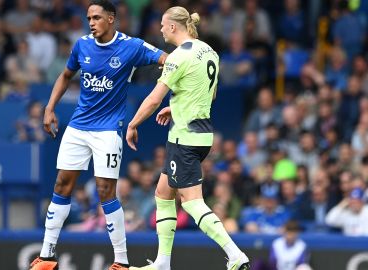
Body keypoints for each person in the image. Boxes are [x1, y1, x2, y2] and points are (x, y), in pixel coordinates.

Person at [30, 1, 167, 270]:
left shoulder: (131, 46)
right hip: (78, 127)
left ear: (111, 19)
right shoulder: (82, 45)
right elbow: (66, 75)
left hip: (107, 130)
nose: (91, 22)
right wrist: (49, 108)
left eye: (96, 17)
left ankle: (121, 262)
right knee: (61, 185)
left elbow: (166, 59)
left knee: (106, 191)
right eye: (89, 18)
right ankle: (47, 257)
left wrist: (172, 76)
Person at [125, 6, 249, 270]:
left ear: (172, 26)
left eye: (162, 24)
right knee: (163, 192)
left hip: (185, 138)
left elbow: (153, 99)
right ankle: (162, 262)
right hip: (202, 134)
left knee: (192, 202)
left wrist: (133, 123)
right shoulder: (209, 51)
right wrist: (177, 106)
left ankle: (235, 253)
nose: (159, 29)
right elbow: (209, 94)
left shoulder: (177, 57)